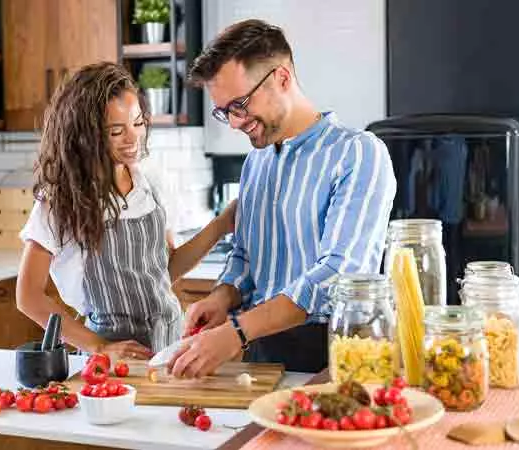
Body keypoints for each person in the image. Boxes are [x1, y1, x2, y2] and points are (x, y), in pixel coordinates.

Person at [168, 19, 397, 376]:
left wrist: (238, 330)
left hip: (333, 354)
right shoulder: (256, 161)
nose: (234, 122)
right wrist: (223, 296)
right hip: (262, 350)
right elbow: (245, 255)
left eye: (240, 104)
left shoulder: (358, 153)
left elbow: (339, 275)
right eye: (224, 110)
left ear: (282, 78)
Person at [16, 62, 236, 359]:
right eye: (117, 131)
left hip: (169, 345)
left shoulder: (150, 182)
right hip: (112, 356)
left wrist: (221, 224)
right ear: (86, 135)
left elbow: (165, 270)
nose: (134, 139)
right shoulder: (60, 201)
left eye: (138, 123)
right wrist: (99, 347)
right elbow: (28, 297)